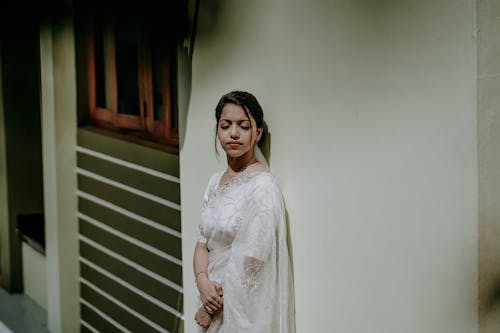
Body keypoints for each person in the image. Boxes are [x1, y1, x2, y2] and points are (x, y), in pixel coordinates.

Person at [193, 90, 295, 332]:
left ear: (258, 132)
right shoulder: (215, 181)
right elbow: (201, 243)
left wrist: (209, 307)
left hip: (235, 309)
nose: (234, 133)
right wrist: (201, 282)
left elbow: (252, 263)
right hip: (209, 293)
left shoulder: (262, 187)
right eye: (226, 125)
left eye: (244, 126)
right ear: (217, 130)